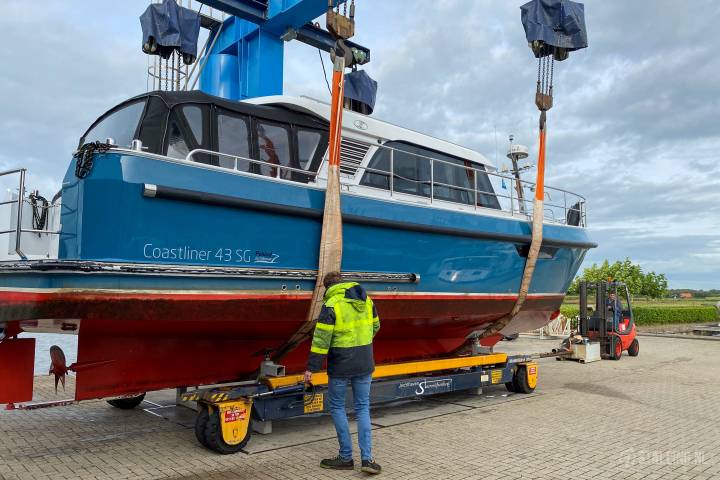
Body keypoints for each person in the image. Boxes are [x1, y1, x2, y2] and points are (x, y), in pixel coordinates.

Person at [304, 271, 381, 475]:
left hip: (340, 364)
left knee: (338, 406)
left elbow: (321, 341)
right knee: (363, 407)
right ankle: (367, 459)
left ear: (326, 287)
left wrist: (311, 368)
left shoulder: (331, 305)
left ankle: (346, 457)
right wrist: (361, 342)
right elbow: (376, 326)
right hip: (365, 361)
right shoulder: (366, 300)